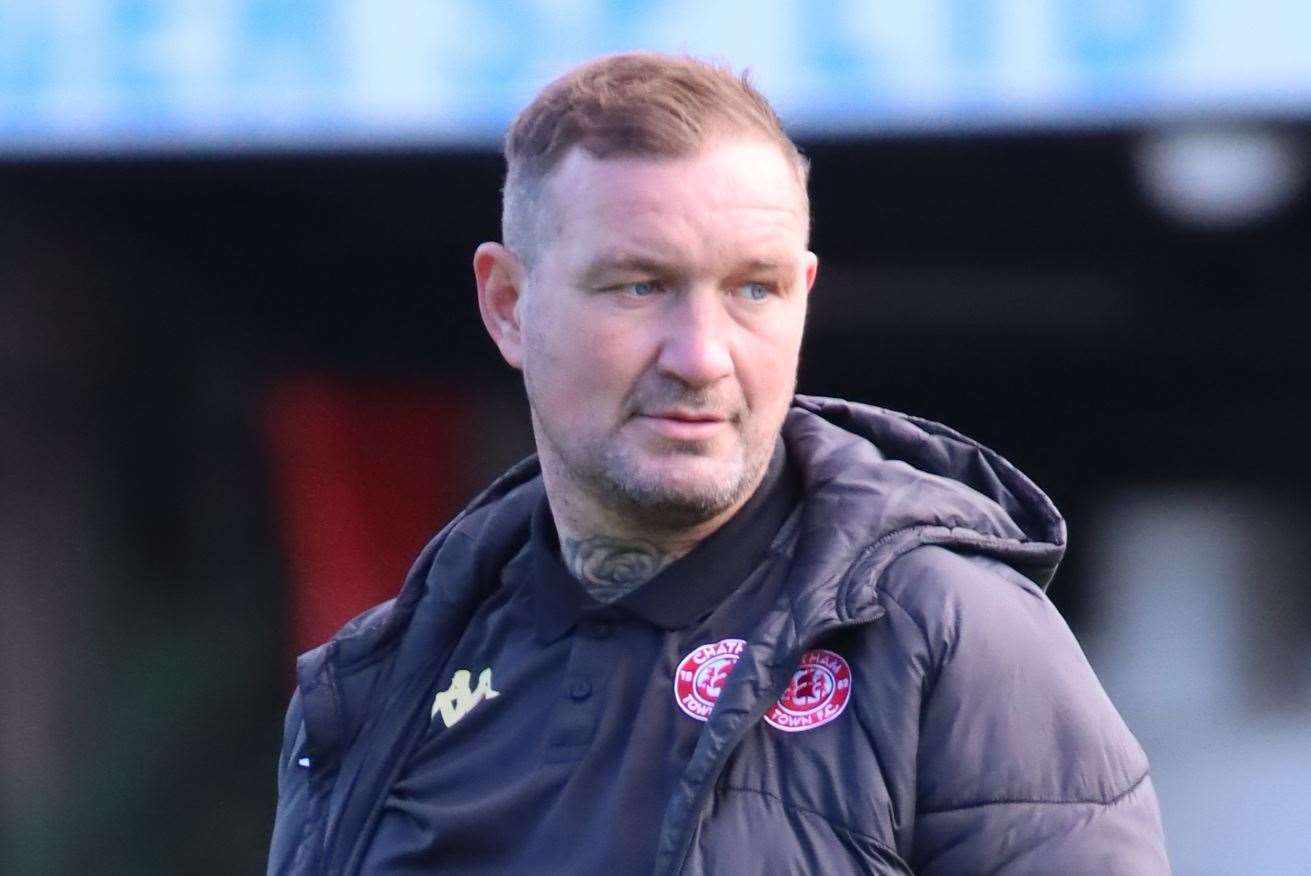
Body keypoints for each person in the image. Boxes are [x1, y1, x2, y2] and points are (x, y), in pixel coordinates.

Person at [267, 53, 1169, 875]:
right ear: (508, 304)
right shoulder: (375, 686)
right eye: (640, 285)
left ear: (802, 298)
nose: (701, 355)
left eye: (752, 289)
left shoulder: (948, 634)